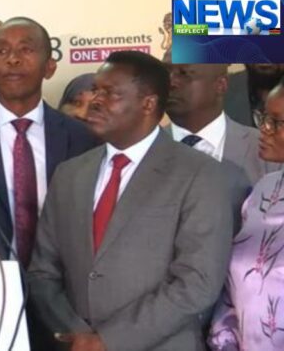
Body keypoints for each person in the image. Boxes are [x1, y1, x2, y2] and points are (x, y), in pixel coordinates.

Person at [28, 51, 233, 351]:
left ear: (148, 103)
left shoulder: (200, 174)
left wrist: (109, 341)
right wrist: (77, 336)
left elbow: (197, 282)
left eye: (109, 93)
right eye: (96, 90)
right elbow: (43, 272)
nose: (95, 100)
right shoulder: (70, 174)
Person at [0, 17, 97, 263]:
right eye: (2, 51)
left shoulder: (81, 138)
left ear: (50, 67)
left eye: (25, 50)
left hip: (62, 284)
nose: (12, 59)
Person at [163, 52, 278, 230]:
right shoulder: (140, 152)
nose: (171, 82)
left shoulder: (268, 152)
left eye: (184, 73)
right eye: (165, 73)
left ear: (221, 85)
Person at [209, 83, 284, 351]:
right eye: (263, 118)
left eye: (277, 123)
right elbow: (233, 288)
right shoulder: (262, 192)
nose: (263, 129)